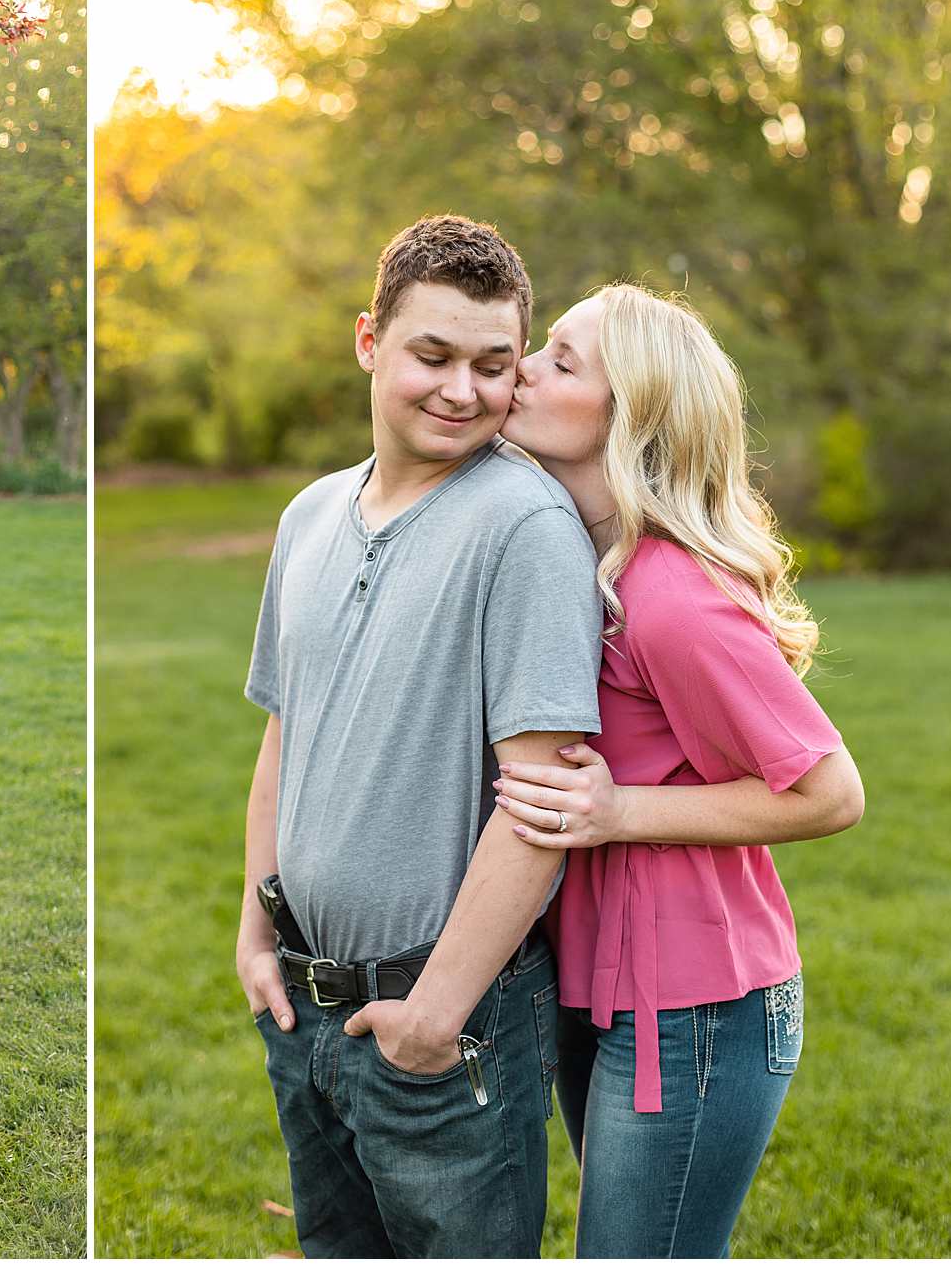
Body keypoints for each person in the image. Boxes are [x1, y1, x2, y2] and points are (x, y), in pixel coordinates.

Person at [235, 215, 605, 1257]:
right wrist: (256, 925)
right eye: (430, 355)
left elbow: (540, 800)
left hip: (447, 1020)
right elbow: (282, 736)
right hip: (305, 1001)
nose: (461, 390)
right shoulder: (307, 515)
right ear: (368, 340)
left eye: (493, 365)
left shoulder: (523, 527)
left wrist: (432, 1015)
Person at [494, 283, 865, 1257]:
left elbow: (829, 790)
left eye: (560, 360)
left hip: (696, 1013)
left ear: (631, 418)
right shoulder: (584, 563)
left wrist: (617, 809)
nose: (521, 367)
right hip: (601, 986)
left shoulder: (667, 598)